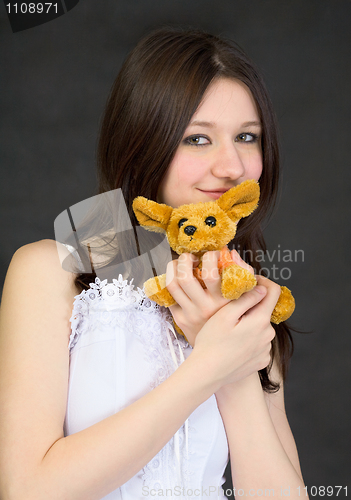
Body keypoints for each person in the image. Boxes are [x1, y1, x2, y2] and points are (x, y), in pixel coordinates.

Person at [0, 27, 307, 499]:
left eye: (247, 137)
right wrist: (209, 366)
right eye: (197, 139)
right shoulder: (50, 271)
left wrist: (237, 369)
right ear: (144, 139)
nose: (231, 166)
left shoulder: (245, 295)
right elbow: (29, 491)